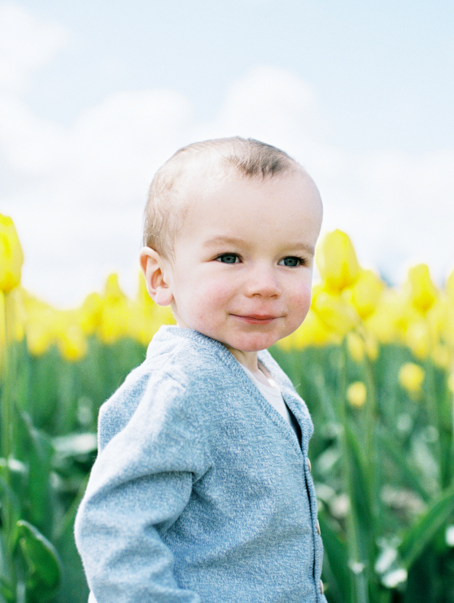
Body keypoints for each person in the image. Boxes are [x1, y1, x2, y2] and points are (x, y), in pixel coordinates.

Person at [74, 137, 327, 602]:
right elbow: (115, 529)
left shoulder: (268, 377)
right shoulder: (181, 386)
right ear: (160, 277)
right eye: (230, 257)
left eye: (292, 260)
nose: (265, 285)